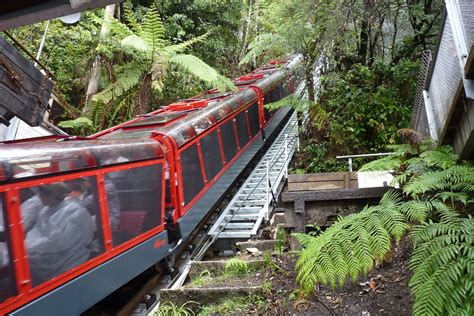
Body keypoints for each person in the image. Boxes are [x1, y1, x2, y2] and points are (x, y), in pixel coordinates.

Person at [25, 182, 94, 286]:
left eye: (42, 194)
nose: (39, 196)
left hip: (69, 258)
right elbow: (36, 233)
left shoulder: (74, 211)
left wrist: (30, 247)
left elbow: (60, 242)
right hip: (50, 253)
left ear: (53, 195)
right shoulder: (45, 210)